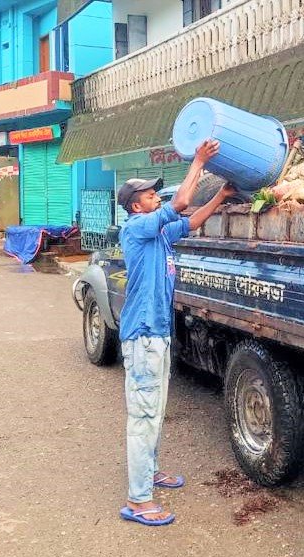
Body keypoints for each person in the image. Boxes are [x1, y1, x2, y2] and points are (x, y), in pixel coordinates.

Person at [116, 139, 234, 527]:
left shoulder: (159, 234)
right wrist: (198, 161)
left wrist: (221, 195)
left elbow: (192, 220)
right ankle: (138, 501)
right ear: (137, 206)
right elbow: (181, 202)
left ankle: (149, 473)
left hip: (158, 334)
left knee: (155, 411)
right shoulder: (136, 228)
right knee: (144, 416)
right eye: (151, 196)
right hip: (143, 335)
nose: (157, 198)